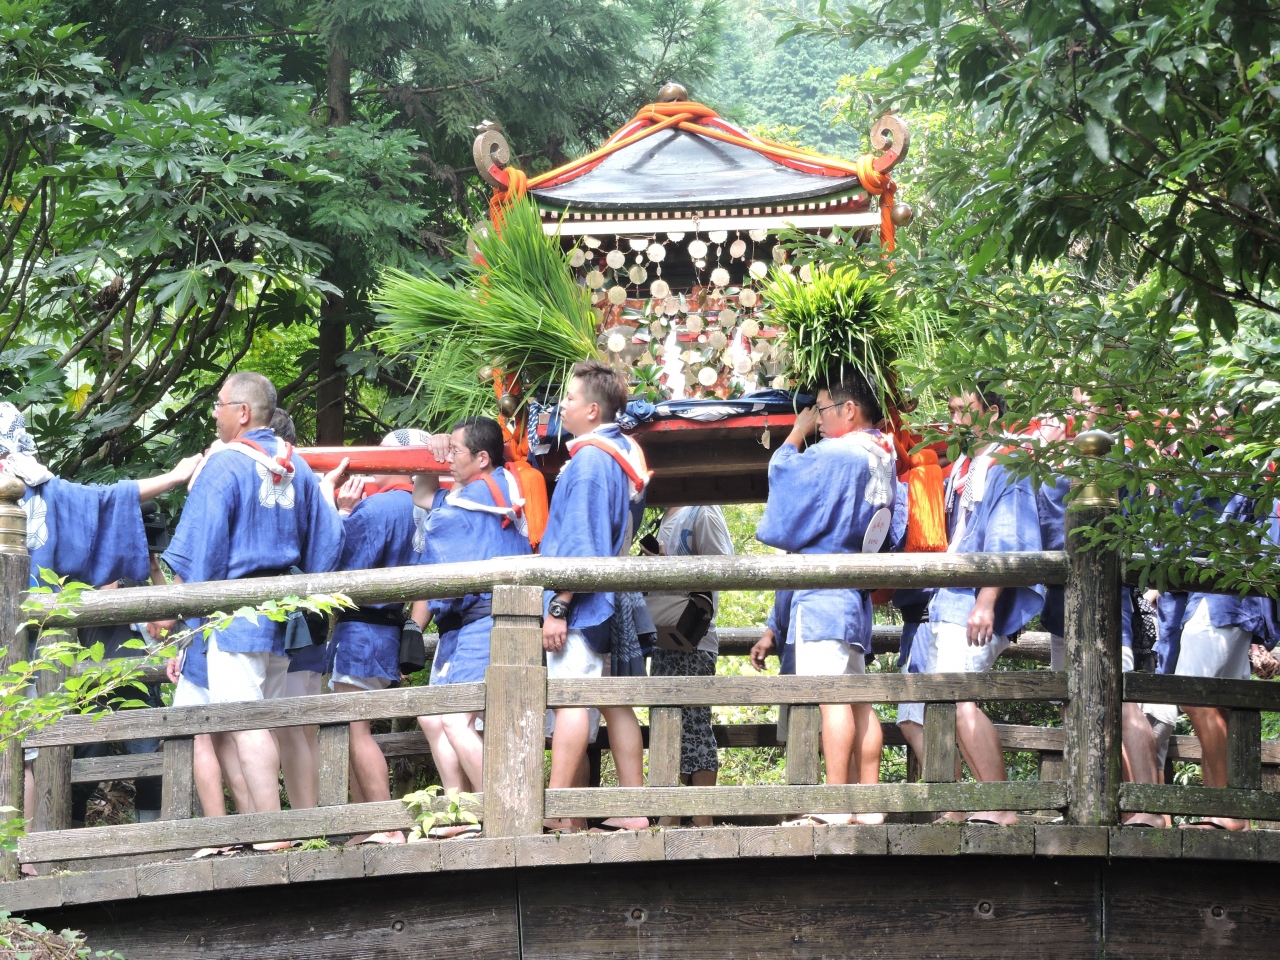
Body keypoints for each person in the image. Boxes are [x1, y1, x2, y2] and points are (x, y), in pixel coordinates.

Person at [151, 372, 344, 818]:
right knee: (271, 720)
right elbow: (328, 542)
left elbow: (202, 548)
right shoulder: (298, 465)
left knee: (244, 721)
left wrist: (174, 610)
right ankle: (298, 824)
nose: (214, 414)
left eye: (219, 405)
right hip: (283, 614)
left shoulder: (225, 465)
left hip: (236, 617)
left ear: (242, 412)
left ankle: (270, 828)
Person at [0, 401, 201, 827]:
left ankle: (38, 847)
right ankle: (37, 846)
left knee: (48, 743)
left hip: (46, 638)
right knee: (33, 745)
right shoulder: (45, 488)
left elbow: (109, 499)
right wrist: (176, 475)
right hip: (30, 638)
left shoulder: (47, 489)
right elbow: (107, 499)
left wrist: (176, 477)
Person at [755, 371, 904, 825]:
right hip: (854, 595)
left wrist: (794, 436)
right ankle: (869, 803)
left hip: (823, 594)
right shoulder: (882, 457)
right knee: (858, 700)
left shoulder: (837, 453)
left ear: (848, 410)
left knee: (832, 698)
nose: (815, 420)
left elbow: (783, 473)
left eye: (820, 411)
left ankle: (836, 805)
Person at [542, 361, 650, 833]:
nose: (560, 405)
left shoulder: (589, 461)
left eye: (567, 398)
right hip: (611, 596)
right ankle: (633, 806)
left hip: (584, 601)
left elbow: (582, 547)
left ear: (590, 409)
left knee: (571, 700)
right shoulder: (624, 451)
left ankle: (557, 810)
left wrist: (560, 603)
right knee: (612, 701)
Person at [928, 386, 1043, 825]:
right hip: (954, 596)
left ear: (991, 412)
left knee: (960, 698)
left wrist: (987, 600)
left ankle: (1000, 806)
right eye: (951, 410)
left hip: (975, 599)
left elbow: (1006, 536)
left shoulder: (1004, 461)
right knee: (949, 699)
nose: (955, 419)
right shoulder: (966, 464)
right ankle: (966, 806)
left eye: (964, 410)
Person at [413, 418, 532, 809]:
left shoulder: (471, 499)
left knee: (453, 720)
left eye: (456, 453)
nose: (450, 460)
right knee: (436, 716)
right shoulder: (494, 489)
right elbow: (423, 495)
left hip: (487, 619)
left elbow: (434, 513)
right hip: (488, 620)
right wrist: (438, 445)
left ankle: (503, 809)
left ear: (482, 458)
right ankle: (459, 806)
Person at [323, 430, 426, 844]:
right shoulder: (421, 509)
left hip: (362, 630)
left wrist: (342, 514)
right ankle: (371, 823)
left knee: (354, 728)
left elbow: (338, 571)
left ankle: (384, 823)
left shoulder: (376, 510)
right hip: (388, 628)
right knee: (350, 726)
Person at [1175, 492, 1273, 830]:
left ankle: (1226, 812)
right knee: (1216, 708)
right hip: (1230, 605)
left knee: (1191, 697)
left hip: (1216, 601)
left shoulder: (1220, 473)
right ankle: (1228, 814)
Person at [644, 505, 735, 826]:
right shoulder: (664, 515)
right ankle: (670, 812)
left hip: (695, 634)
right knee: (665, 722)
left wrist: (671, 567)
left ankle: (702, 817)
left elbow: (725, 568)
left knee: (695, 724)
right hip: (664, 635)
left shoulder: (704, 511)